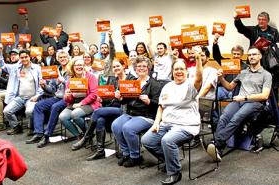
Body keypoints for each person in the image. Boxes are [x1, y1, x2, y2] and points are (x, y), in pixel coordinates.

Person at [140, 49, 203, 184]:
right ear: (172, 71)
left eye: (181, 69)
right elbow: (161, 107)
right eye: (176, 69)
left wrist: (198, 59)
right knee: (146, 140)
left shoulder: (190, 85)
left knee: (167, 140)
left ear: (186, 71)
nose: (179, 71)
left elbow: (199, 78)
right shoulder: (167, 86)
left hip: (186, 126)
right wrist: (156, 123)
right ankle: (168, 160)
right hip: (166, 123)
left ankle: (175, 172)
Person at [206, 47, 272, 162]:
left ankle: (216, 143)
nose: (251, 57)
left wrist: (245, 97)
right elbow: (229, 87)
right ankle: (218, 149)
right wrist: (221, 77)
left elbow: (265, 95)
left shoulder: (266, 75)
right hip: (239, 101)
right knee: (224, 117)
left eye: (254, 54)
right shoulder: (243, 72)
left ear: (260, 56)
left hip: (255, 102)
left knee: (236, 118)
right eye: (250, 55)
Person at [111, 56, 167, 167]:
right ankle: (126, 153)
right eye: (138, 66)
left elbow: (159, 105)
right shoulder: (132, 82)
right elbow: (125, 101)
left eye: (144, 66)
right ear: (135, 68)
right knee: (115, 125)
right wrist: (121, 98)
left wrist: (149, 101)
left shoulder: (155, 84)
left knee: (128, 128)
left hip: (147, 116)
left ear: (148, 68)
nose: (141, 68)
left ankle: (135, 156)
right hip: (131, 113)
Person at [71, 59, 130, 160]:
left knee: (97, 112)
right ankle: (100, 151)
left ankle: (86, 137)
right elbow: (108, 95)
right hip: (111, 108)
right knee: (99, 119)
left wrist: (121, 97)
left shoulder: (130, 79)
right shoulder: (112, 79)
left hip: (124, 109)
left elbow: (132, 98)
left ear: (124, 66)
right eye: (114, 67)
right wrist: (102, 98)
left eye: (118, 66)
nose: (115, 68)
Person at [26, 50, 70, 147]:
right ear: (58, 59)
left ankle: (46, 136)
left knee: (55, 107)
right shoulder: (56, 70)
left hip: (68, 98)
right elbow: (52, 90)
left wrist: (64, 82)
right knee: (38, 106)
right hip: (57, 96)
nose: (63, 59)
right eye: (61, 57)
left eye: (64, 57)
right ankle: (38, 133)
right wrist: (44, 86)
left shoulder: (72, 70)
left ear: (68, 58)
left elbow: (76, 87)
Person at [2, 49, 43, 135]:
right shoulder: (17, 68)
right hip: (20, 97)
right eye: (22, 57)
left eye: (26, 57)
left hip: (32, 97)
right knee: (7, 111)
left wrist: (38, 95)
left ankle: (32, 128)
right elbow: (3, 65)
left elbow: (41, 84)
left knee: (29, 112)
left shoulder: (37, 68)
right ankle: (16, 127)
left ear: (30, 57)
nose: (24, 59)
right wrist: (0, 52)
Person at [59, 58, 100, 139]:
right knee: (62, 117)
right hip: (74, 104)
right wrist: (67, 96)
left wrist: (80, 104)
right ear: (73, 67)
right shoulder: (70, 80)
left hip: (90, 103)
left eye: (81, 65)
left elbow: (94, 95)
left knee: (75, 114)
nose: (79, 67)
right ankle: (79, 136)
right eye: (77, 65)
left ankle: (88, 134)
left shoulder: (91, 77)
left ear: (84, 66)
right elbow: (69, 100)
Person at [0, 48, 20, 133]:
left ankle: (0, 123)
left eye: (15, 54)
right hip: (9, 89)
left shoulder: (18, 65)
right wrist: (0, 51)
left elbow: (7, 80)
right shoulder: (11, 65)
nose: (13, 56)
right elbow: (1, 64)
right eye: (11, 55)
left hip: (17, 91)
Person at [212, 33, 248, 100]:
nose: (236, 56)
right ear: (232, 54)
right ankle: (215, 110)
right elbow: (216, 56)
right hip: (223, 89)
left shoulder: (245, 67)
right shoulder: (226, 62)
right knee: (215, 94)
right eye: (234, 54)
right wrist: (215, 43)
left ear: (242, 55)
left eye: (238, 54)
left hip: (236, 90)